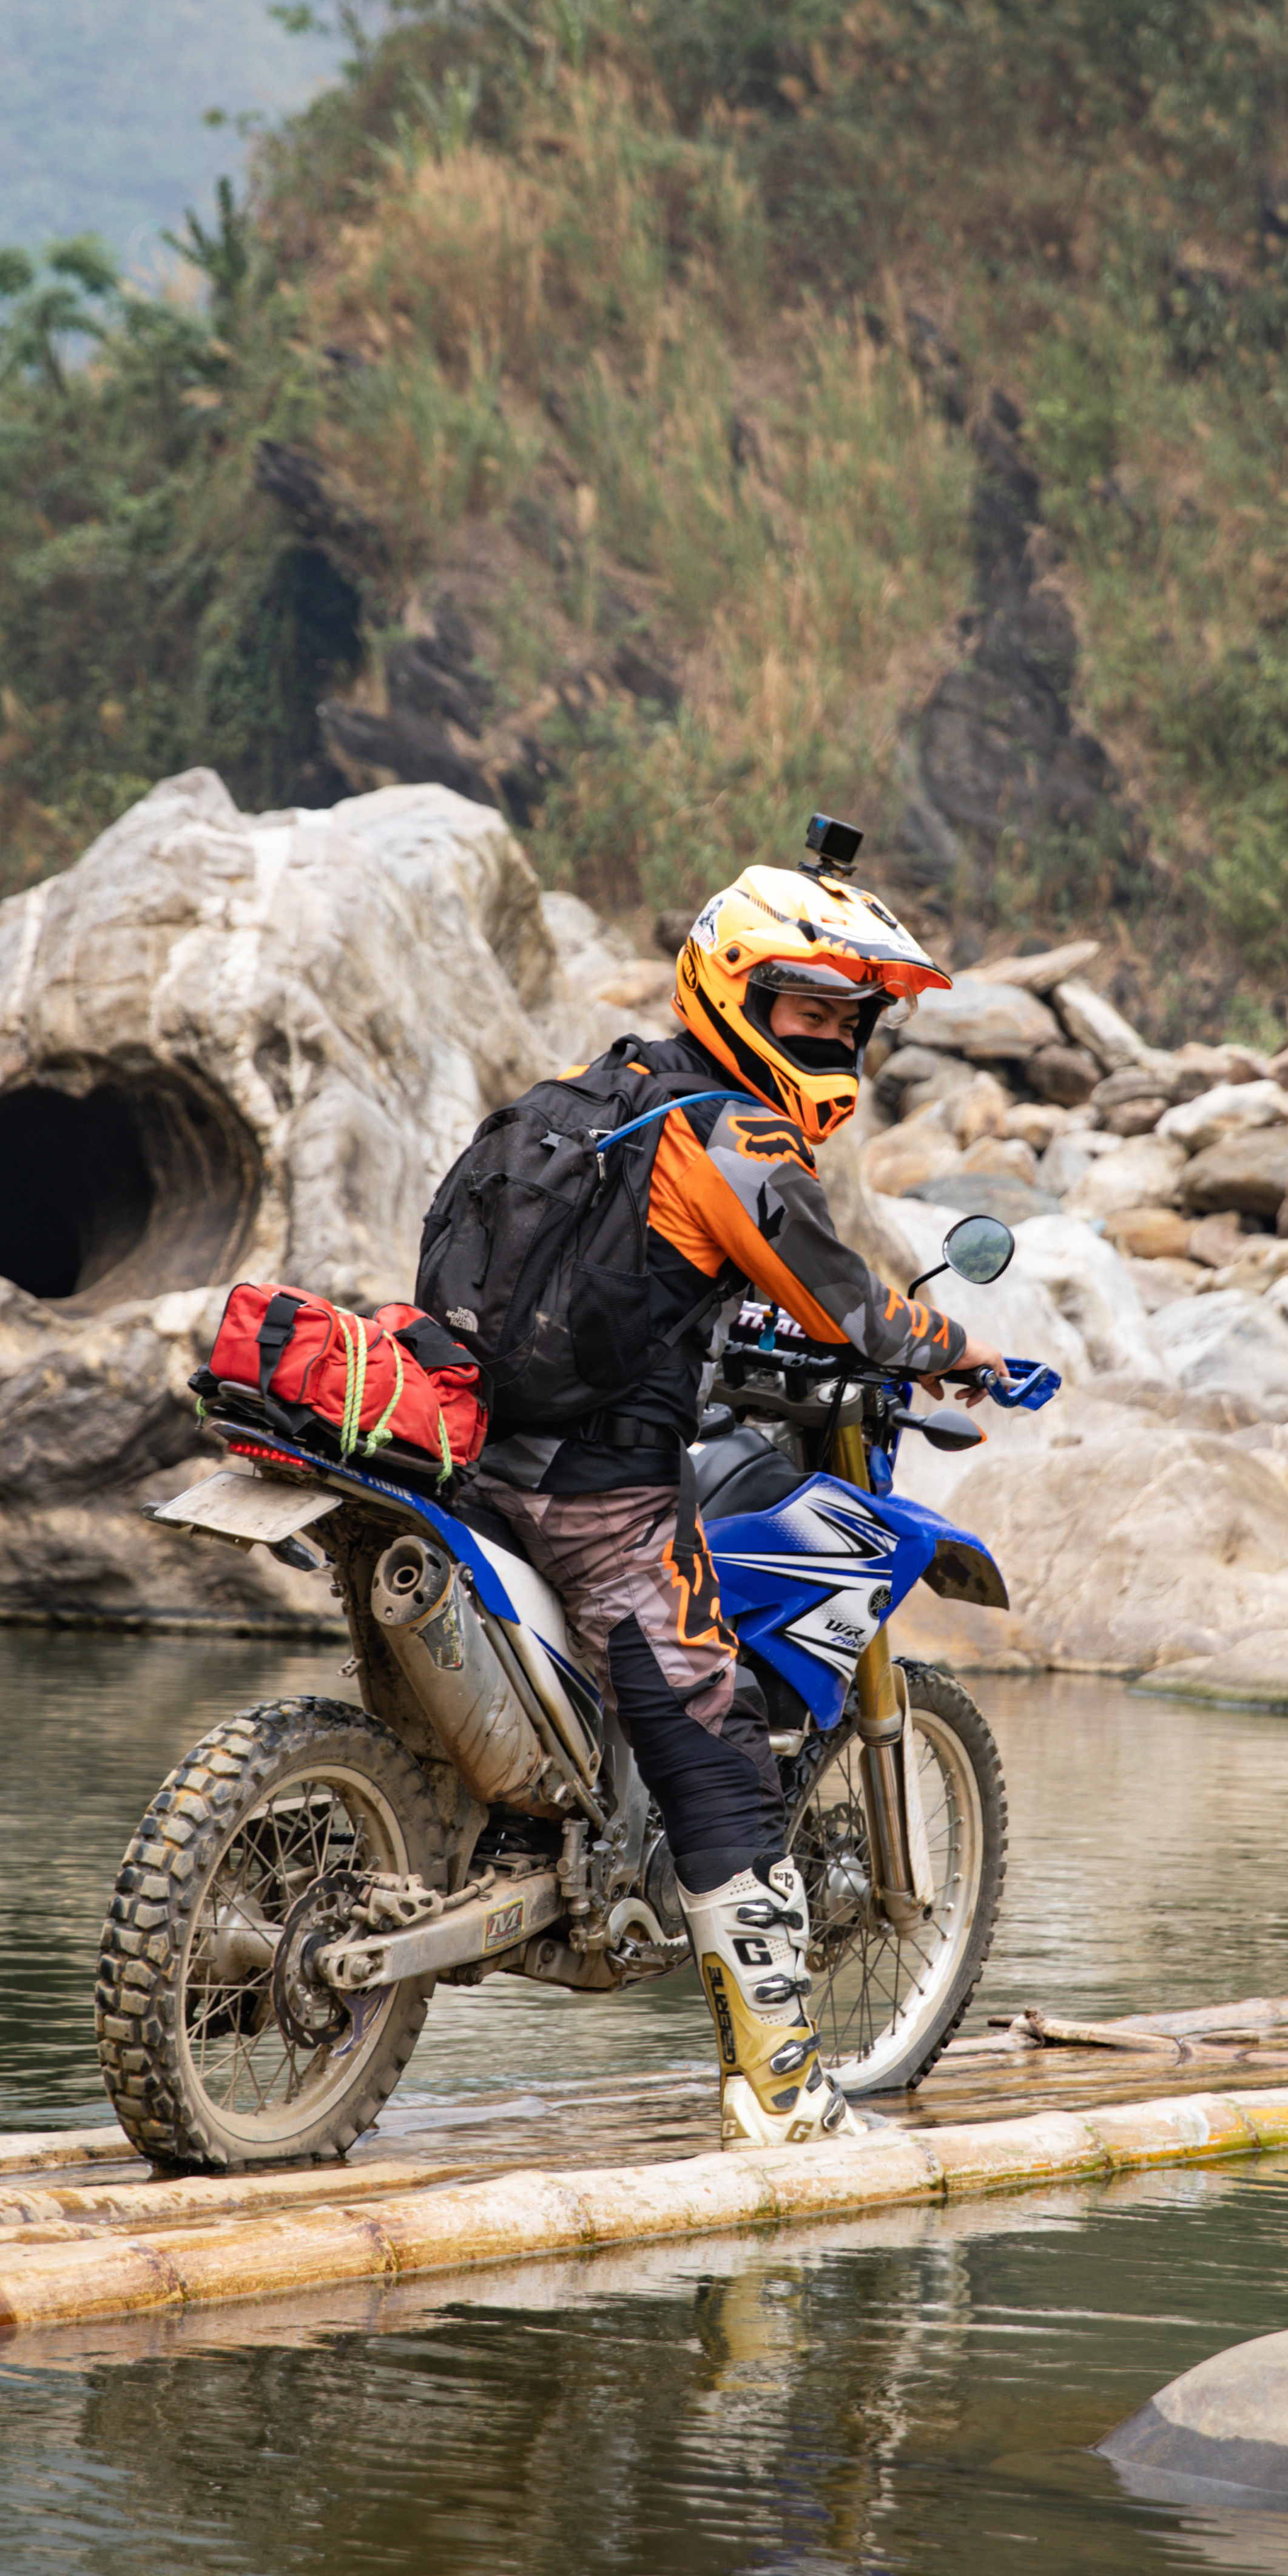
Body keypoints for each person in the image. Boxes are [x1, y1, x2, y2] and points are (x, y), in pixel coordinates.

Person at [439, 838, 1003, 2145]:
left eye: (849, 1021)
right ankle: (786, 2082)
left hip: (469, 1449)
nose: (836, 1044)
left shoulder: (588, 1094)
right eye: (811, 1013)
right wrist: (956, 1348)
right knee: (720, 1754)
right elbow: (847, 1300)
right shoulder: (730, 1131)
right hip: (599, 1496)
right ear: (737, 992)